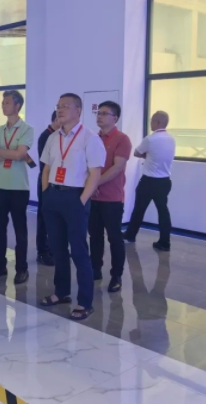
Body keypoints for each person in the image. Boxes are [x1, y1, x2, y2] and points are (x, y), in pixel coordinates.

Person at [39, 93, 105, 321]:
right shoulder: (53, 137)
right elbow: (46, 168)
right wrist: (46, 194)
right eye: (58, 106)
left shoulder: (90, 138)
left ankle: (85, 302)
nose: (60, 110)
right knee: (57, 248)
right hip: (53, 196)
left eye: (66, 106)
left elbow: (95, 174)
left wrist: (81, 201)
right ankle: (61, 292)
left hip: (75, 198)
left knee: (78, 251)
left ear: (78, 111)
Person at [0, 90, 35, 284]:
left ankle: (22, 268)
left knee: (20, 229)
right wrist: (10, 152)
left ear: (17, 106)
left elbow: (20, 154)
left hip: (19, 187)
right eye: (3, 103)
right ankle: (0, 266)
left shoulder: (26, 129)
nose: (3, 106)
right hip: (0, 186)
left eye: (7, 102)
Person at [89, 101, 131, 292]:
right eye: (98, 113)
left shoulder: (122, 139)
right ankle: (95, 269)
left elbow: (117, 167)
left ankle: (116, 276)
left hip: (112, 199)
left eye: (104, 113)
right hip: (93, 197)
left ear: (115, 118)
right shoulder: (93, 138)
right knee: (95, 236)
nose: (99, 116)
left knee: (114, 238)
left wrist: (95, 183)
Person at [123, 111, 176, 251]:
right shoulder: (171, 139)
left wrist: (147, 155)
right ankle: (165, 242)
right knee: (163, 211)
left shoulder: (150, 139)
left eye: (152, 121)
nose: (150, 123)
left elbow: (136, 153)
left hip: (149, 181)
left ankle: (130, 235)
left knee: (139, 209)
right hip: (164, 181)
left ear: (157, 123)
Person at [35, 111, 59, 266]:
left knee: (55, 218)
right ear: (56, 119)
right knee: (44, 218)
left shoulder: (58, 136)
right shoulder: (46, 136)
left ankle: (53, 249)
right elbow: (46, 165)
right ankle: (43, 251)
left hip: (56, 182)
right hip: (46, 182)